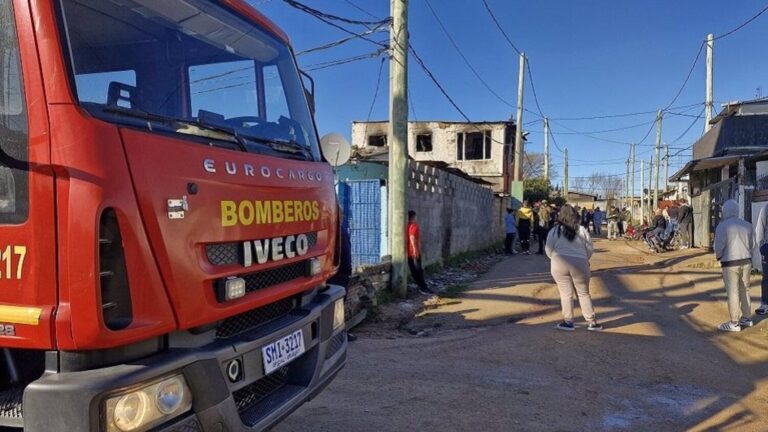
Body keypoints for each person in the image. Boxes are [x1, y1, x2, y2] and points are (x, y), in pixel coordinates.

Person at [545, 204, 602, 332]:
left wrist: (553, 259)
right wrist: (583, 259)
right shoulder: (581, 230)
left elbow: (548, 249)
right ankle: (592, 322)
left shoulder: (555, 230)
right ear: (575, 215)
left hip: (559, 262)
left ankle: (568, 322)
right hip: (580, 263)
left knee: (566, 294)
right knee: (583, 293)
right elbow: (590, 249)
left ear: (560, 216)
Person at [714, 200, 754, 332]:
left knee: (733, 292)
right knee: (745, 290)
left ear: (724, 211)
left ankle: (734, 322)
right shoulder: (747, 225)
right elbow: (752, 245)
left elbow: (719, 246)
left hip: (730, 263)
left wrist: (718, 257)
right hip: (746, 261)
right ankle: (747, 318)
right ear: (737, 210)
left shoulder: (722, 226)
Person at [407, 211, 432, 295]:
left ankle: (421, 286)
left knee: (414, 271)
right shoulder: (414, 226)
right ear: (414, 217)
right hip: (414, 252)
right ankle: (423, 288)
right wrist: (415, 249)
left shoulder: (407, 226)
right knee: (418, 270)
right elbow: (412, 237)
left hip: (409, 253)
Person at [753, 201, 768, 315]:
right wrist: (762, 246)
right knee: (766, 277)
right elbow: (760, 229)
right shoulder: (766, 208)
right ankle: (764, 304)